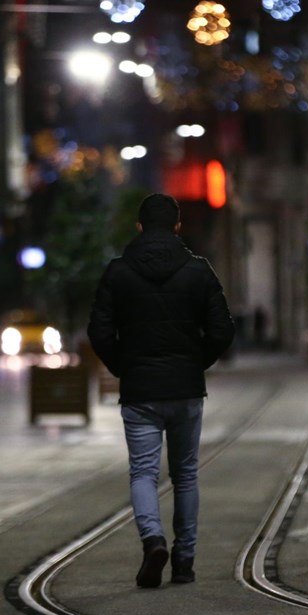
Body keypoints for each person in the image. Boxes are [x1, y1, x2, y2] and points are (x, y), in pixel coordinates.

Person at [87, 193, 235, 588]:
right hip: (185, 390)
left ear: (139, 228)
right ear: (177, 227)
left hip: (140, 391)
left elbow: (99, 331)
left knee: (143, 472)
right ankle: (184, 561)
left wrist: (125, 367)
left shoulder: (117, 273)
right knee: (185, 474)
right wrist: (194, 363)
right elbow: (223, 329)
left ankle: (153, 541)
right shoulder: (198, 271)